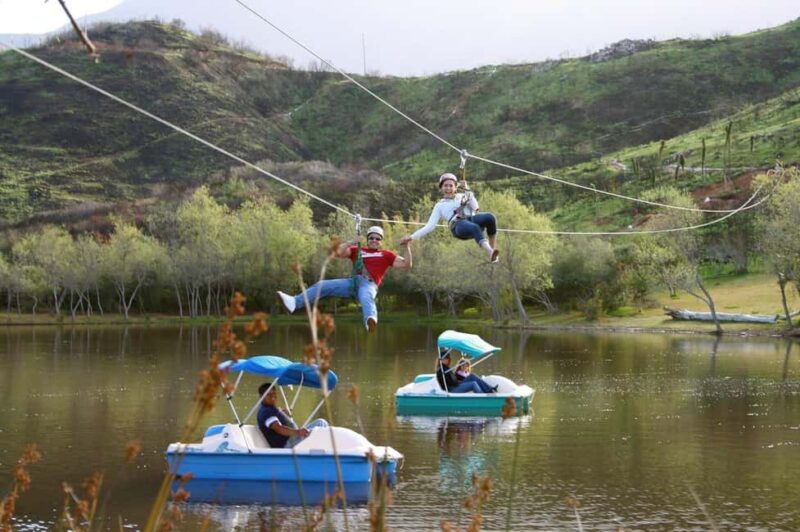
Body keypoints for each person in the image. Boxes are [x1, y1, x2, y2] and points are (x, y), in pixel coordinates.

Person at [277, 225, 412, 332]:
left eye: (377, 239)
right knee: (322, 285)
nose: (374, 241)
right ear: (367, 239)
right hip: (352, 283)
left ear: (381, 241)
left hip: (368, 285)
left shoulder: (386, 255)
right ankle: (295, 302)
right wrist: (351, 242)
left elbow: (407, 264)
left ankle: (370, 320)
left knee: (366, 297)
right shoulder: (358, 250)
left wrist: (407, 247)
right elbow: (335, 253)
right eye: (371, 238)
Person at [400, 172, 499, 263]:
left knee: (490, 218)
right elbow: (429, 226)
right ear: (441, 189)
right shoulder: (439, 205)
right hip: (458, 226)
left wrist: (467, 189)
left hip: (470, 219)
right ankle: (490, 252)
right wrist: (411, 237)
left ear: (455, 187)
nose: (448, 188)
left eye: (451, 186)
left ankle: (493, 251)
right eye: (445, 186)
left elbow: (475, 207)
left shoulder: (462, 195)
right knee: (474, 227)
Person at [256, 382, 328, 448]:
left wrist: (284, 414)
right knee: (320, 428)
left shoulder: (270, 408)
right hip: (287, 444)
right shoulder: (266, 412)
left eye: (274, 393)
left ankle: (322, 449)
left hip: (293, 438)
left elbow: (278, 420)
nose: (273, 396)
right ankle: (325, 452)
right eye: (268, 394)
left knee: (321, 422)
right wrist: (299, 432)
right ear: (262, 396)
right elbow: (279, 429)